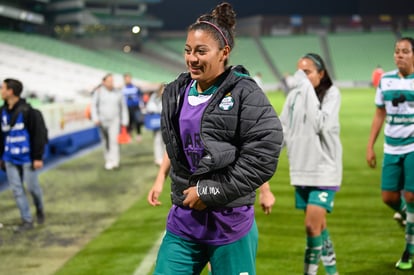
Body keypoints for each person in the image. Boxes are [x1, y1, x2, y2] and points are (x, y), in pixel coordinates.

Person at [146, 2, 283, 274]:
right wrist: (161, 178)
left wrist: (210, 191)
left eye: (201, 51)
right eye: (188, 50)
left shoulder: (245, 93)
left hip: (230, 223)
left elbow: (262, 155)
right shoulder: (176, 92)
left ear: (224, 53)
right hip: (184, 222)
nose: (192, 59)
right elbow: (176, 146)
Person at [279, 53, 342, 275]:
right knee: (320, 227)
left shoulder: (331, 95)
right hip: (301, 170)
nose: (301, 77)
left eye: (306, 72)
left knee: (311, 226)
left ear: (321, 73)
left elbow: (320, 124)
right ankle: (333, 272)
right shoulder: (293, 97)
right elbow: (283, 130)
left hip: (324, 170)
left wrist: (304, 88)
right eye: (299, 72)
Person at [366, 37, 414, 270]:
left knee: (412, 196)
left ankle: (408, 251)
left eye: (405, 51)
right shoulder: (386, 80)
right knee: (389, 197)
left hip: (413, 145)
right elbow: (379, 114)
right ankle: (407, 215)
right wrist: (370, 146)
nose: (399, 55)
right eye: (397, 51)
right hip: (391, 146)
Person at [0, 78, 48, 232]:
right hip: (9, 158)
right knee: (16, 190)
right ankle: (27, 220)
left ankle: (39, 209)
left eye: (3, 88)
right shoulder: (2, 112)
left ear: (10, 91)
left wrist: (38, 157)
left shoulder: (29, 112)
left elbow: (38, 135)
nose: (1, 91)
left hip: (27, 158)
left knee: (32, 188)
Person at [91, 73, 129, 170]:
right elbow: (93, 106)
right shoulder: (98, 92)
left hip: (115, 120)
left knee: (114, 140)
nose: (111, 83)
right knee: (105, 141)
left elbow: (123, 107)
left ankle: (115, 161)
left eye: (112, 81)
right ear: (103, 82)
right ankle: (108, 160)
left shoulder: (118, 92)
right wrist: (95, 118)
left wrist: (125, 121)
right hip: (102, 121)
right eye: (109, 81)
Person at [145, 84, 165, 166]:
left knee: (165, 141)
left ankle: (165, 158)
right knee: (157, 140)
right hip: (156, 121)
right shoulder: (154, 96)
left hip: (165, 121)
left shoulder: (169, 96)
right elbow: (149, 107)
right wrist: (157, 110)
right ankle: (158, 158)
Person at [122, 73, 144, 142]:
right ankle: (129, 135)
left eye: (129, 78)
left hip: (136, 107)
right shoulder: (123, 89)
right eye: (126, 78)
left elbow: (140, 96)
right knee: (129, 122)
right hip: (127, 107)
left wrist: (142, 104)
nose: (128, 80)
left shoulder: (135, 88)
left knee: (137, 120)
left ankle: (138, 134)